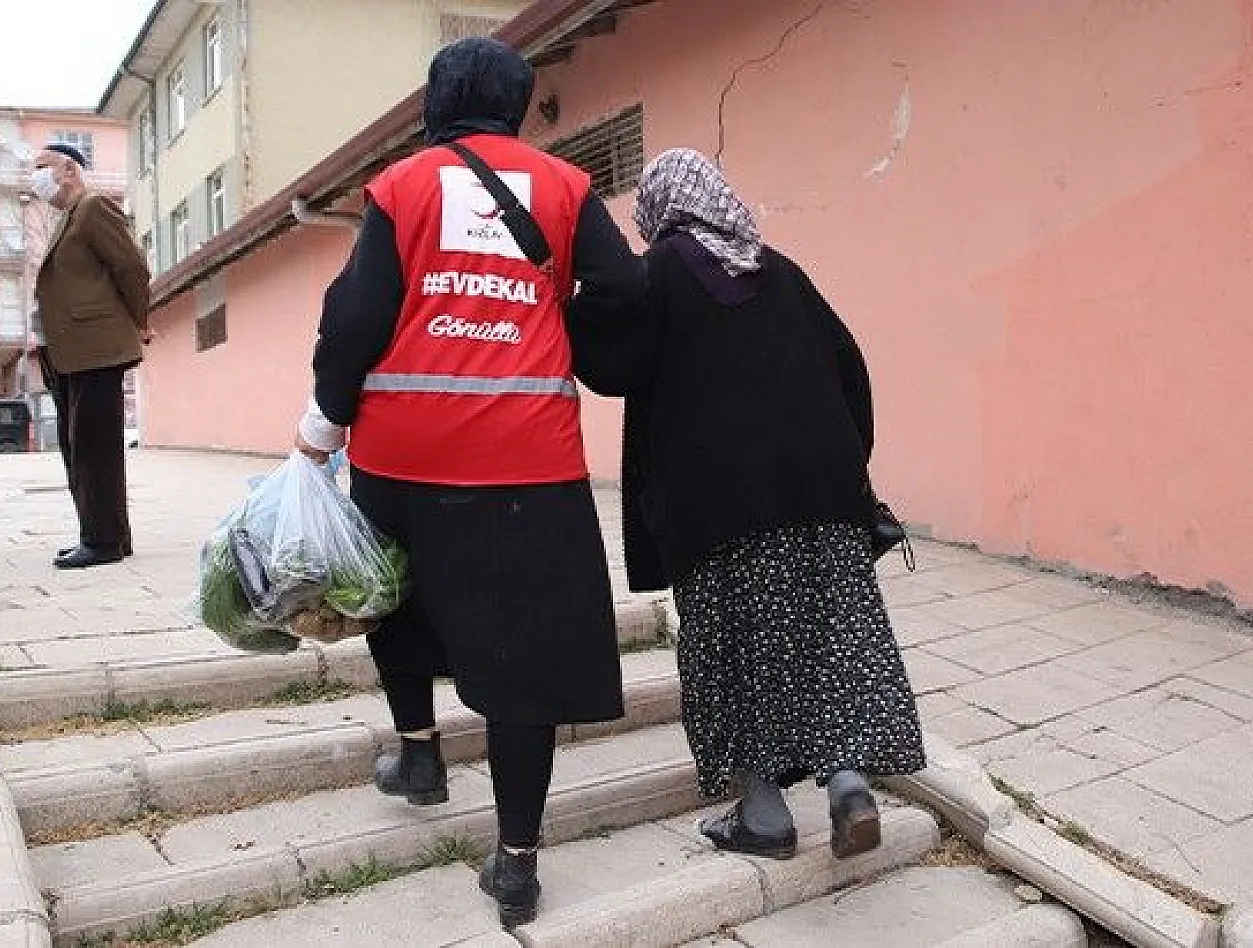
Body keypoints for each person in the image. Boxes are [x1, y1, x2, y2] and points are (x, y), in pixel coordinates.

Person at [292, 37, 644, 926]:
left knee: (393, 605)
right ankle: (516, 862)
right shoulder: (565, 189)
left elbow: (358, 315)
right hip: (528, 463)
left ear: (437, 101)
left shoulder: (404, 188)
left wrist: (323, 425)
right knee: (520, 659)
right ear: (520, 102)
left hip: (400, 460)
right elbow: (622, 293)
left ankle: (419, 758)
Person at [610, 149, 926, 862]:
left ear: (661, 207)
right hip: (821, 492)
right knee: (830, 638)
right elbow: (849, 368)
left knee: (735, 646)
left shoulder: (657, 274)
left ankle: (763, 813)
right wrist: (846, 464)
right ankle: (849, 787)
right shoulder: (778, 268)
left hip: (717, 504)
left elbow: (610, 367)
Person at [30, 142, 151, 570]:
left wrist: (140, 319)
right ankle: (106, 535)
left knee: (92, 450)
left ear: (68, 168)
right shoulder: (65, 218)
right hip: (70, 352)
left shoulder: (94, 206)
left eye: (41, 167)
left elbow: (130, 267)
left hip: (95, 348)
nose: (35, 176)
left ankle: (102, 542)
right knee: (78, 447)